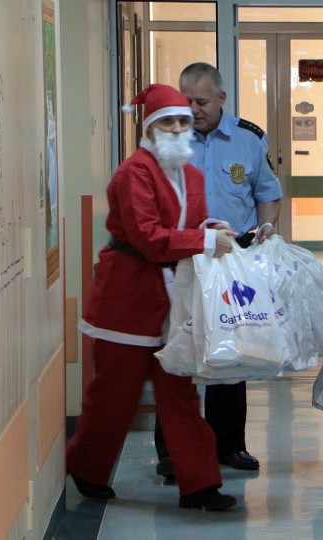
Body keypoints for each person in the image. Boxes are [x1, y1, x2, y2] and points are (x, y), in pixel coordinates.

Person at [66, 83, 238, 510]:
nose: (177, 127)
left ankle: (200, 484)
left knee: (179, 392)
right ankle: (86, 468)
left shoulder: (191, 174)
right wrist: (201, 241)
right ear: (149, 129)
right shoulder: (133, 173)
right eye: (167, 122)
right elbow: (147, 236)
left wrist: (211, 228)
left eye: (182, 120)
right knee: (113, 395)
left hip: (172, 300)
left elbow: (190, 224)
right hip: (126, 300)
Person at [154, 62, 283, 480]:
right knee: (181, 354)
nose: (193, 109)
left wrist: (266, 230)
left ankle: (230, 445)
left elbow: (268, 194)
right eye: (186, 100)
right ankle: (173, 451)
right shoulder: (170, 141)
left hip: (231, 263)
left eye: (202, 101)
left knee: (231, 352)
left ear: (222, 98)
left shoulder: (248, 140)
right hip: (183, 262)